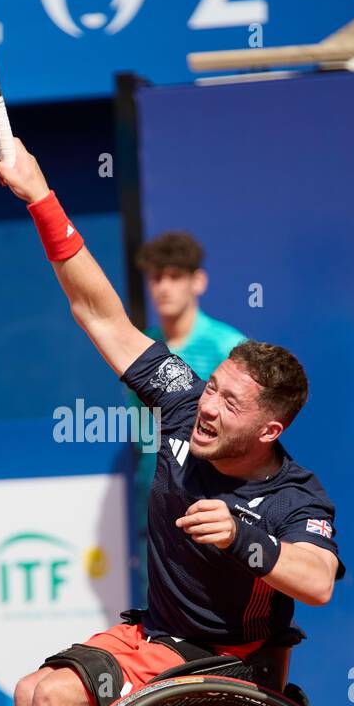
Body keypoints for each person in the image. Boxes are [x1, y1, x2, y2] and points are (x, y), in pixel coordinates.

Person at [0, 137, 344, 706]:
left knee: (50, 696)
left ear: (271, 426)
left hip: (226, 663)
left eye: (230, 402)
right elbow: (98, 311)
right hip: (158, 637)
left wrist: (246, 540)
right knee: (30, 697)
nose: (209, 407)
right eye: (212, 387)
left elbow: (317, 580)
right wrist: (41, 195)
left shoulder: (294, 494)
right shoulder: (183, 407)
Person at [130, 230, 246, 597]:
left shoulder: (229, 347)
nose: (164, 287)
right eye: (156, 277)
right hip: (154, 501)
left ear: (198, 281)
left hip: (215, 501)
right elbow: (143, 432)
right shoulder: (139, 346)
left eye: (175, 276)